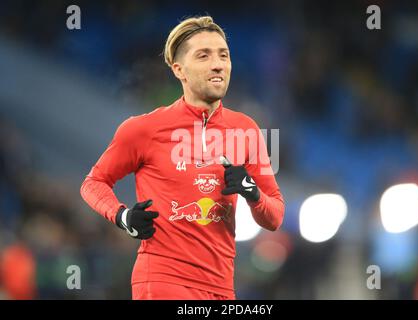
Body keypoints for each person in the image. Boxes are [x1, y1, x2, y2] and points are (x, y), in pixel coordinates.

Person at [80, 15, 284, 300]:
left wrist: (252, 192)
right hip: (163, 280)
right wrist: (123, 216)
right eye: (204, 56)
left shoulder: (247, 129)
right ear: (179, 70)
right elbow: (93, 183)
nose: (218, 64)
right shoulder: (143, 128)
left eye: (223, 55)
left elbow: (275, 216)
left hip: (222, 287)